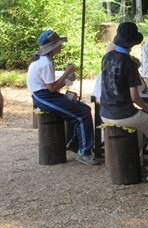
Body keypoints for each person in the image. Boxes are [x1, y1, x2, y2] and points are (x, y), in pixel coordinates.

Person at [100, 22, 148, 182]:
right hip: (123, 114)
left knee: (142, 126)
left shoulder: (107, 57)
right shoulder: (129, 64)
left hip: (105, 113)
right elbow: (135, 97)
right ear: (132, 44)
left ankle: (137, 163)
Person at [27, 30, 98, 166]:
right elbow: (52, 88)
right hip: (43, 97)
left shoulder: (44, 60)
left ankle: (75, 144)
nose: (61, 46)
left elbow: (52, 86)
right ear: (52, 47)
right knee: (82, 114)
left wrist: (66, 79)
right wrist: (66, 73)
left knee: (84, 108)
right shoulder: (45, 62)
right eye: (59, 44)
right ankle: (84, 152)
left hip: (46, 95)